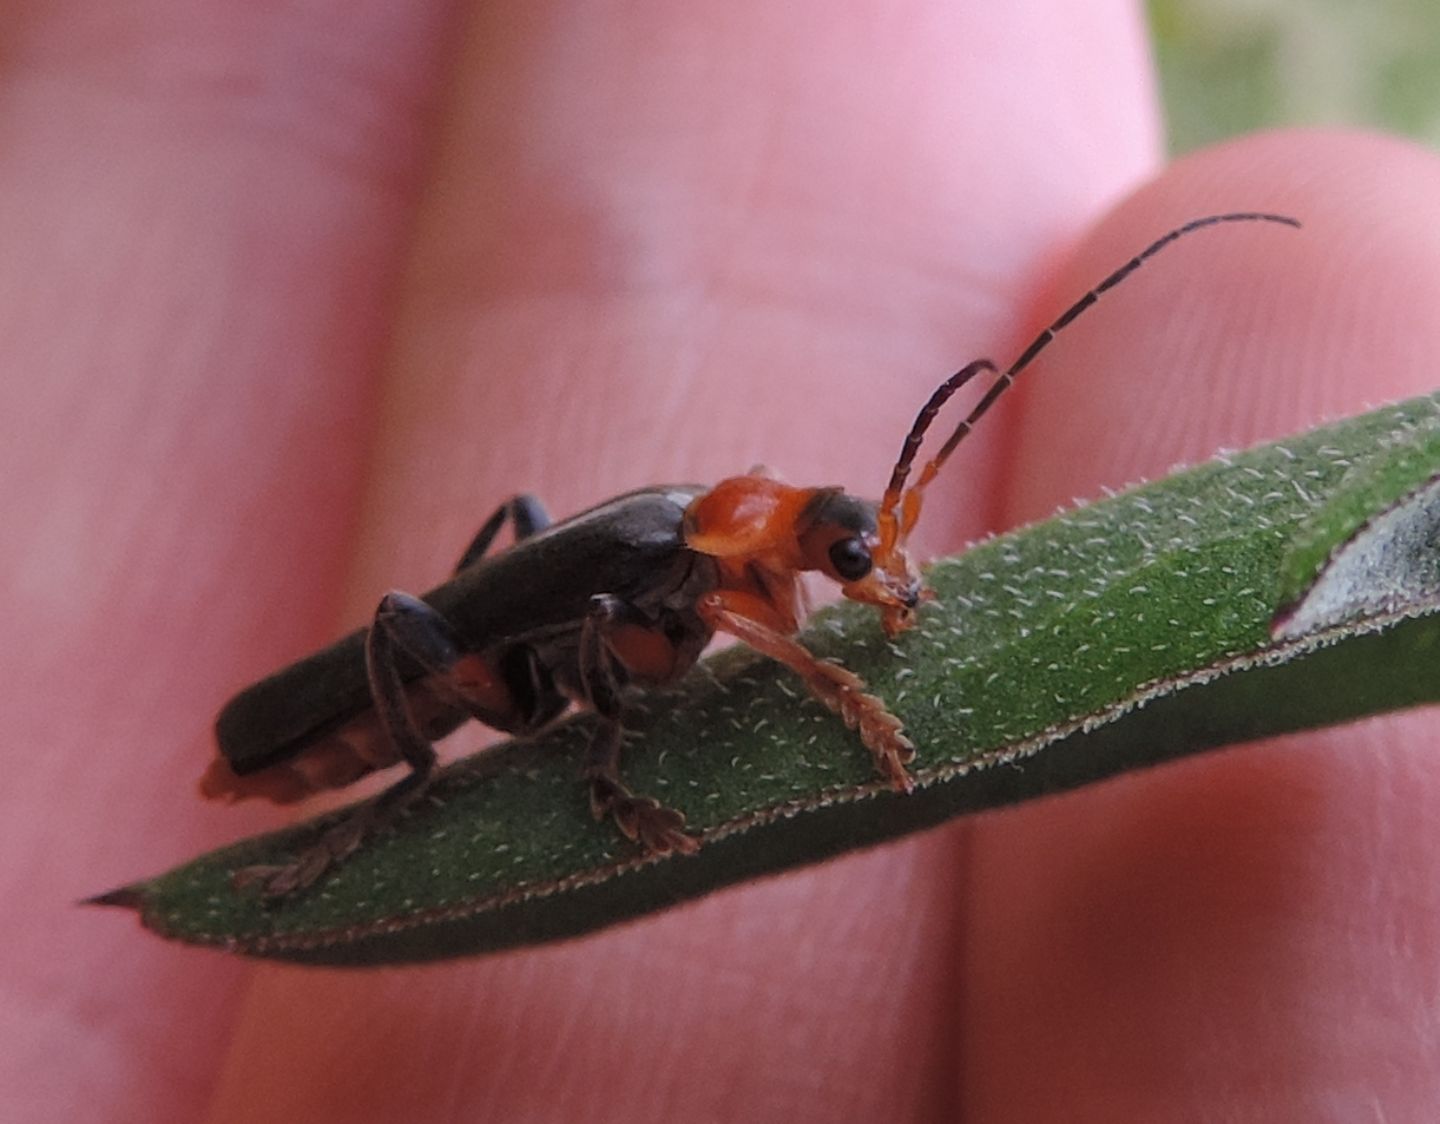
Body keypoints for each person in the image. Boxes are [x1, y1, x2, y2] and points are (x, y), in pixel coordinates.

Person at [8, 2, 1440, 1119]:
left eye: (856, 560)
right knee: (440, 607)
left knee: (525, 558)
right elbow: (641, 650)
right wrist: (795, 706)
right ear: (784, 542)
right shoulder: (676, 556)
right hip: (397, 697)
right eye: (850, 555)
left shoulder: (711, 551)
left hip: (523, 648)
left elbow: (711, 623)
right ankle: (412, 795)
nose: (867, 579)